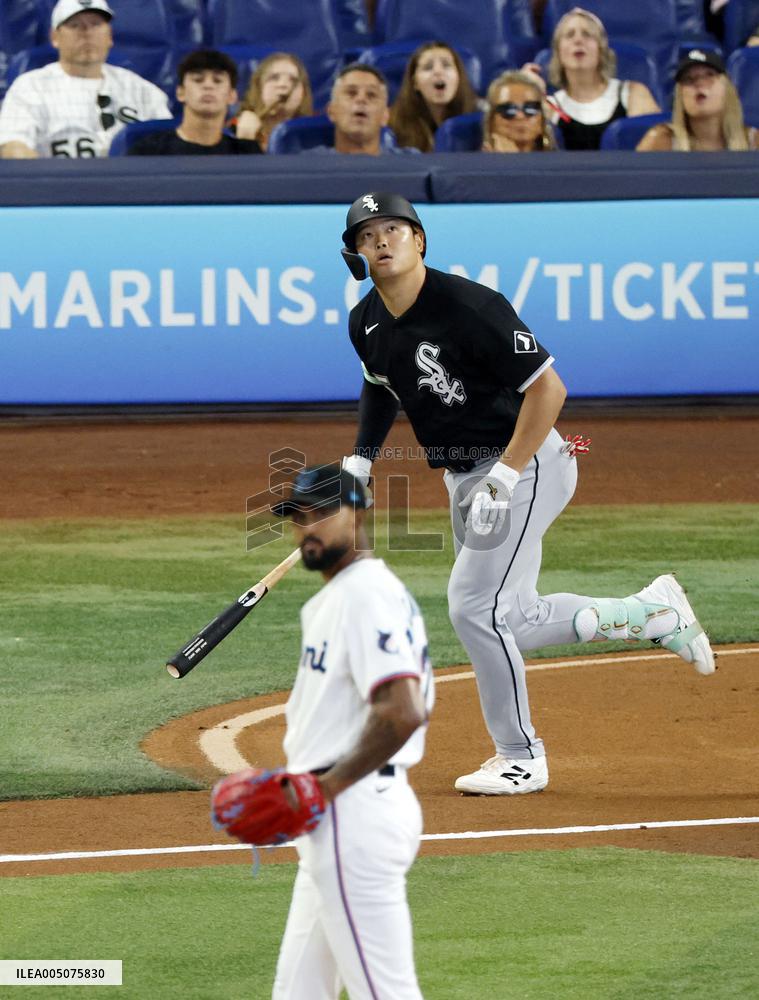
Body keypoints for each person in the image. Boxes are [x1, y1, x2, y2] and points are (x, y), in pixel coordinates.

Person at [338, 191, 715, 796]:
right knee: (513, 615)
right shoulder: (366, 322)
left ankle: (520, 755)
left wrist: (508, 472)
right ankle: (650, 614)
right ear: (354, 253)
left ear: (420, 240)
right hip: (464, 475)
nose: (382, 240)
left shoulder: (471, 306)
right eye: (368, 234)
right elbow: (380, 386)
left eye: (395, 229)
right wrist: (361, 459)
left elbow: (549, 390)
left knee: (470, 605)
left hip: (528, 462)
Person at [269, 464, 434, 999]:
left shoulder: (365, 594)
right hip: (335, 815)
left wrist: (324, 788)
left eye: (321, 513)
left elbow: (401, 712)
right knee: (298, 992)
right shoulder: (343, 595)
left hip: (351, 812)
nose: (307, 527)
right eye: (298, 516)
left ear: (361, 513)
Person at [0, 0, 171, 159]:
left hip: (132, 186)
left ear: (109, 35)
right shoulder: (31, 87)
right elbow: (12, 146)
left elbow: (169, 145)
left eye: (96, 24)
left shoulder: (141, 90)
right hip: (61, 185)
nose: (87, 33)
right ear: (55, 37)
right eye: (75, 25)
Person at [527, 6, 660, 151]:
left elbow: (656, 148)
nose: (578, 40)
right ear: (558, 52)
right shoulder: (549, 106)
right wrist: (525, 91)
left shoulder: (633, 94)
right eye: (569, 35)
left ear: (601, 49)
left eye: (587, 34)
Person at [127, 49, 262, 156]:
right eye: (198, 80)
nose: (208, 86)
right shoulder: (148, 151)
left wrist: (247, 143)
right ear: (181, 93)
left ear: (232, 96)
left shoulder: (245, 152)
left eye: (217, 81)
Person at [637, 49, 759, 151]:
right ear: (680, 96)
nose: (699, 84)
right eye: (689, 79)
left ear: (727, 89)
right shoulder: (662, 141)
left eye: (710, 75)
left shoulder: (753, 142)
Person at [389, 41, 479, 153]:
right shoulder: (393, 127)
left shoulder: (480, 124)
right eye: (428, 67)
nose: (438, 71)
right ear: (415, 83)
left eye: (446, 65)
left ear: (459, 77)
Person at [322, 63, 412, 155]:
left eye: (371, 95)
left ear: (385, 116)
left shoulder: (414, 162)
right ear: (331, 111)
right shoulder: (309, 163)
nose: (361, 99)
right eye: (351, 93)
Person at [234, 52, 313, 151]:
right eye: (274, 78)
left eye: (293, 80)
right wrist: (245, 140)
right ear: (259, 87)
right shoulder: (235, 128)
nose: (283, 85)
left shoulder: (314, 135)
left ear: (303, 93)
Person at [482, 70, 556, 152]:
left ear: (542, 119)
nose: (520, 116)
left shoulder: (560, 161)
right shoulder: (474, 163)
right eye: (508, 109)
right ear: (491, 121)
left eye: (530, 108)